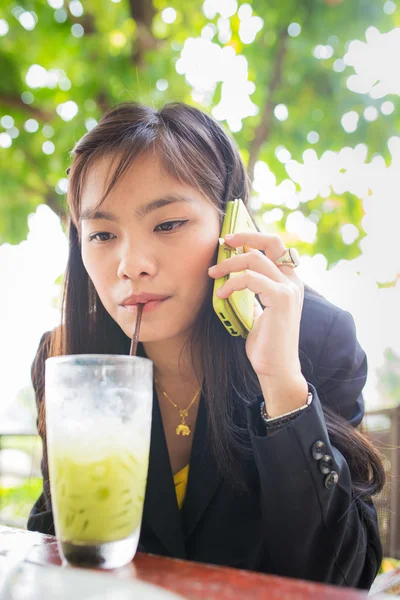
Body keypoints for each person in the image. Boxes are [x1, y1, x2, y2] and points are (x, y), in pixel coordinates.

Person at [27, 101, 385, 589]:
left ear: (231, 227)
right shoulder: (67, 358)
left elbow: (343, 578)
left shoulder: (316, 340)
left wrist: (282, 385)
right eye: (103, 233)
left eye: (168, 224)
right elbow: (58, 542)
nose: (131, 265)